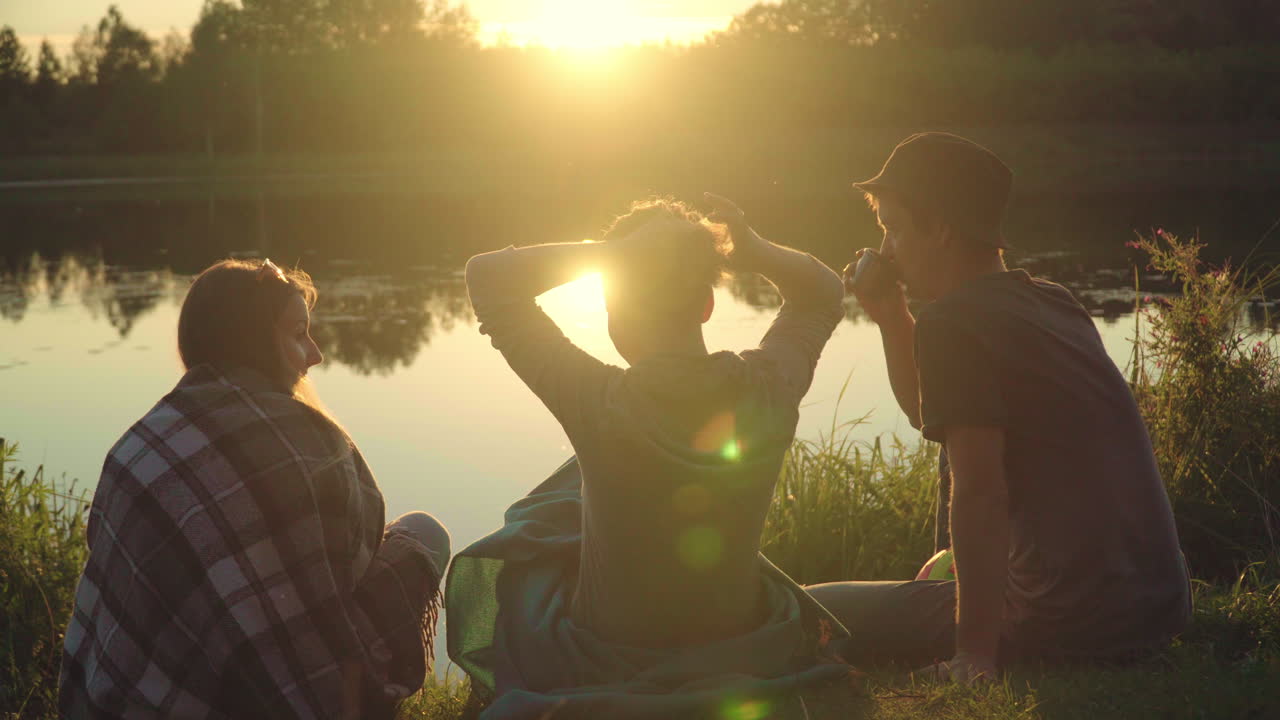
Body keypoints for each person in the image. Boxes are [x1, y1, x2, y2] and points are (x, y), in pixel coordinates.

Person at [448, 196, 853, 719]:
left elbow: (488, 276)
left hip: (603, 658)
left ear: (614, 310)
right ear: (707, 306)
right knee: (569, 489)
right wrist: (749, 248)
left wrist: (610, 253)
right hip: (739, 644)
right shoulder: (770, 386)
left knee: (534, 535)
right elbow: (822, 294)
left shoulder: (598, 401)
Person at [810, 132, 1191, 683]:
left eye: (892, 228)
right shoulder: (1055, 301)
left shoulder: (953, 324)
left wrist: (974, 657)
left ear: (939, 228)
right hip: (1158, 609)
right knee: (941, 567)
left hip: (1068, 619)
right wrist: (892, 316)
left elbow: (981, 495)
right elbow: (928, 413)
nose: (886, 249)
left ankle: (978, 637)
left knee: (808, 608)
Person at [59, 258, 450, 720]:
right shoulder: (310, 442)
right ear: (252, 340)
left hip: (125, 699)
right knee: (424, 534)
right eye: (298, 332)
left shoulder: (141, 441)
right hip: (270, 693)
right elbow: (350, 564)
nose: (316, 353)